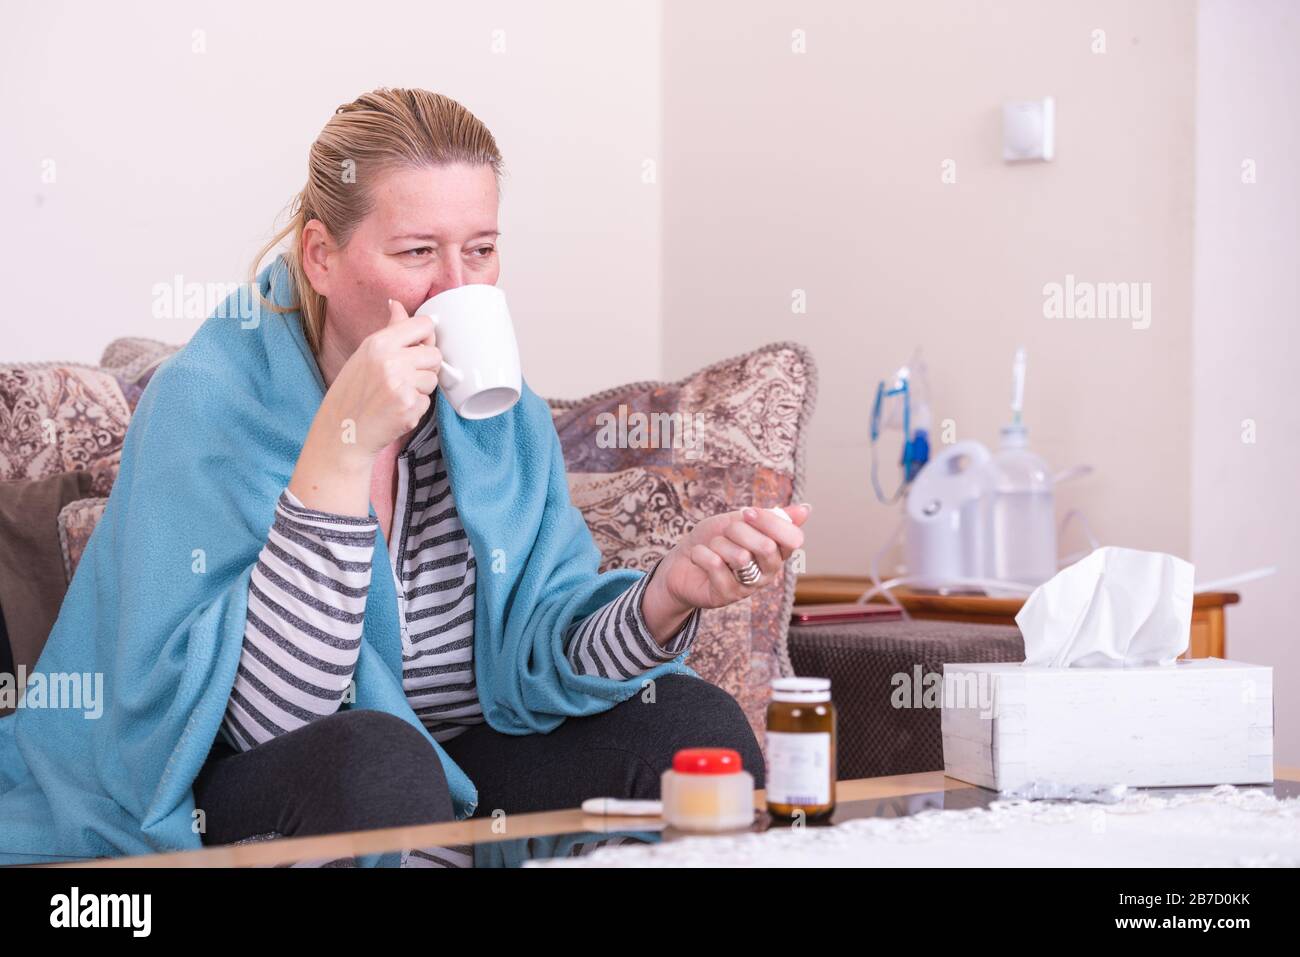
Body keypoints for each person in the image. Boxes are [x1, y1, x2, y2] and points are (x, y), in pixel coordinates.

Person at [0, 88, 810, 865]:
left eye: (482, 251)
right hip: (229, 792)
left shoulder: (498, 414)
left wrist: (667, 593)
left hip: (458, 771)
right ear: (321, 255)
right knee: (381, 766)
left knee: (690, 726)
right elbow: (272, 720)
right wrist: (341, 451)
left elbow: (537, 659)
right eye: (418, 252)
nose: (457, 289)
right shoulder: (207, 406)